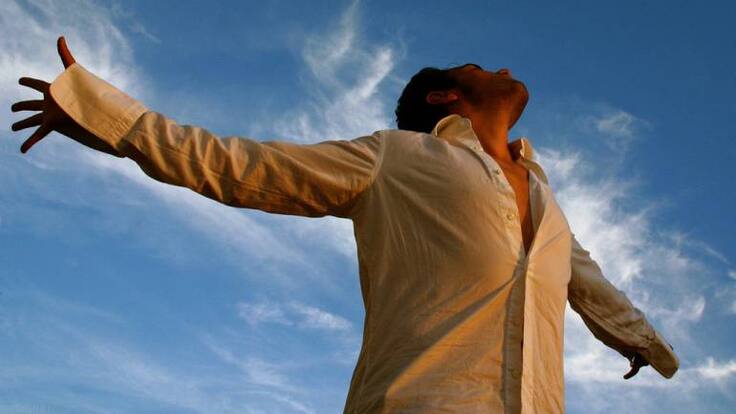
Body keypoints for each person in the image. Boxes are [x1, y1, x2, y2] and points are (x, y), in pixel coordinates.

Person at [11, 37, 678, 413]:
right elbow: (240, 165)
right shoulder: (396, 157)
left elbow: (588, 282)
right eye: (478, 67)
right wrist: (103, 117)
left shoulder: (546, 199)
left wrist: (644, 344)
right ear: (445, 95)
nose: (502, 68)